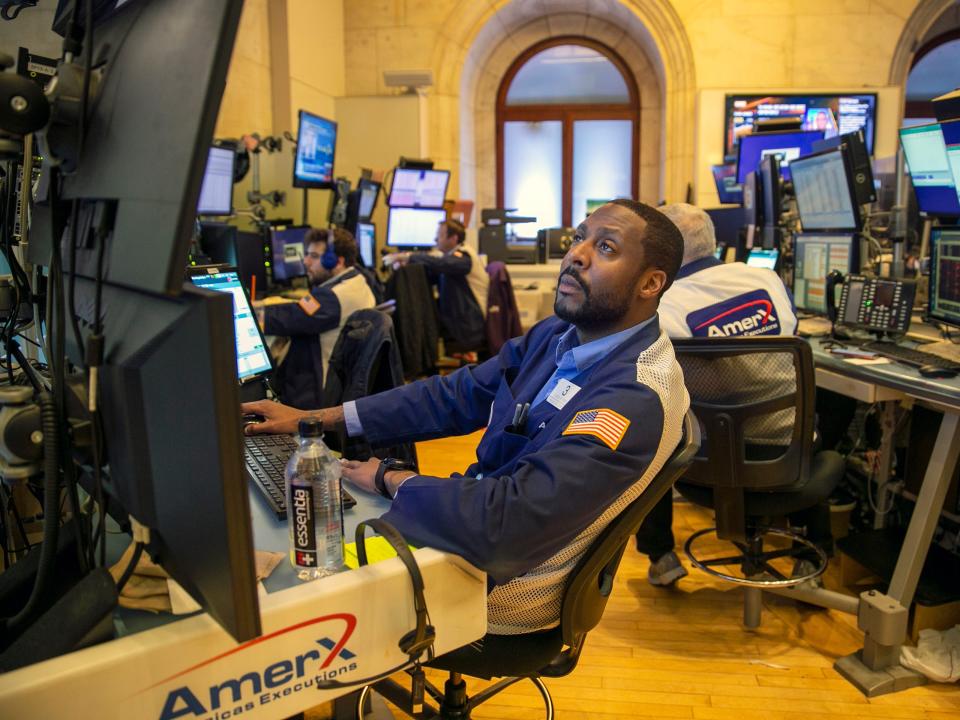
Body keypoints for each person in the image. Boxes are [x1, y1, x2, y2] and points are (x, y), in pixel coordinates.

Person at [244, 200, 689, 639]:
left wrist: (392, 479)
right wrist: (318, 418)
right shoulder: (562, 334)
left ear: (650, 283)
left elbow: (507, 521)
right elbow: (456, 394)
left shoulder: (633, 396)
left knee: (287, 593)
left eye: (606, 248)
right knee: (299, 543)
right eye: (578, 238)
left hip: (503, 587)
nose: (576, 254)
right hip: (475, 526)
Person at [634, 202, 834, 588]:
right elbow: (791, 330)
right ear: (712, 242)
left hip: (700, 465)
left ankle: (660, 557)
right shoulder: (767, 279)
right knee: (822, 415)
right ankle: (810, 556)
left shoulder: (658, 308)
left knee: (651, 424)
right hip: (783, 455)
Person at [261, 227, 375, 409]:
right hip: (340, 384)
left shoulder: (332, 297)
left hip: (314, 394)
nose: (306, 262)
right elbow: (302, 309)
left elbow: (290, 318)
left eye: (314, 256)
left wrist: (253, 311)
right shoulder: (358, 281)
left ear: (337, 261)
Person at [390, 218, 489, 358]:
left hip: (469, 328)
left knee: (418, 329)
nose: (435, 239)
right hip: (461, 323)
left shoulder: (465, 257)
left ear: (453, 238)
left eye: (440, 235)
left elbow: (442, 264)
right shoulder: (451, 257)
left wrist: (409, 257)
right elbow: (434, 271)